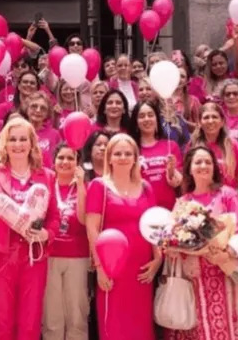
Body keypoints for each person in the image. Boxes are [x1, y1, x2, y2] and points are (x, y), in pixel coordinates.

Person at [0, 117, 60, 340]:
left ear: (32, 143)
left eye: (23, 139)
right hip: (2, 257)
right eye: (13, 139)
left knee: (30, 323)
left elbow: (55, 218)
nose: (18, 144)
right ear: (5, 143)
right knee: (4, 323)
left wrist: (46, 234)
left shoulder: (48, 176)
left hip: (34, 259)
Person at [164, 146, 238, 340]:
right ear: (189, 168)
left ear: (214, 167)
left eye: (208, 162)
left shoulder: (227, 195)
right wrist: (172, 248)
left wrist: (227, 252)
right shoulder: (182, 202)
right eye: (198, 162)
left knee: (226, 327)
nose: (203, 166)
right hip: (191, 277)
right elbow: (172, 237)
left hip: (222, 273)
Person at [86, 134, 161, 340]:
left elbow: (154, 224)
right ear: (109, 157)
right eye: (117, 153)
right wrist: (100, 268)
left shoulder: (146, 187)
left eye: (128, 153)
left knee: (141, 326)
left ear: (135, 158)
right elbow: (92, 229)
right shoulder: (98, 186)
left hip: (141, 268)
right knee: (115, 325)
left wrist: (157, 259)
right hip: (113, 269)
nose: (122, 157)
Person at [43, 143, 90, 340]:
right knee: (52, 314)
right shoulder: (45, 185)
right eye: (61, 158)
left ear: (78, 163)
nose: (65, 162)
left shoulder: (84, 187)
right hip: (49, 256)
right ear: (53, 162)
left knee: (76, 313)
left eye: (71, 158)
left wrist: (80, 185)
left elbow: (83, 219)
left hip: (77, 256)